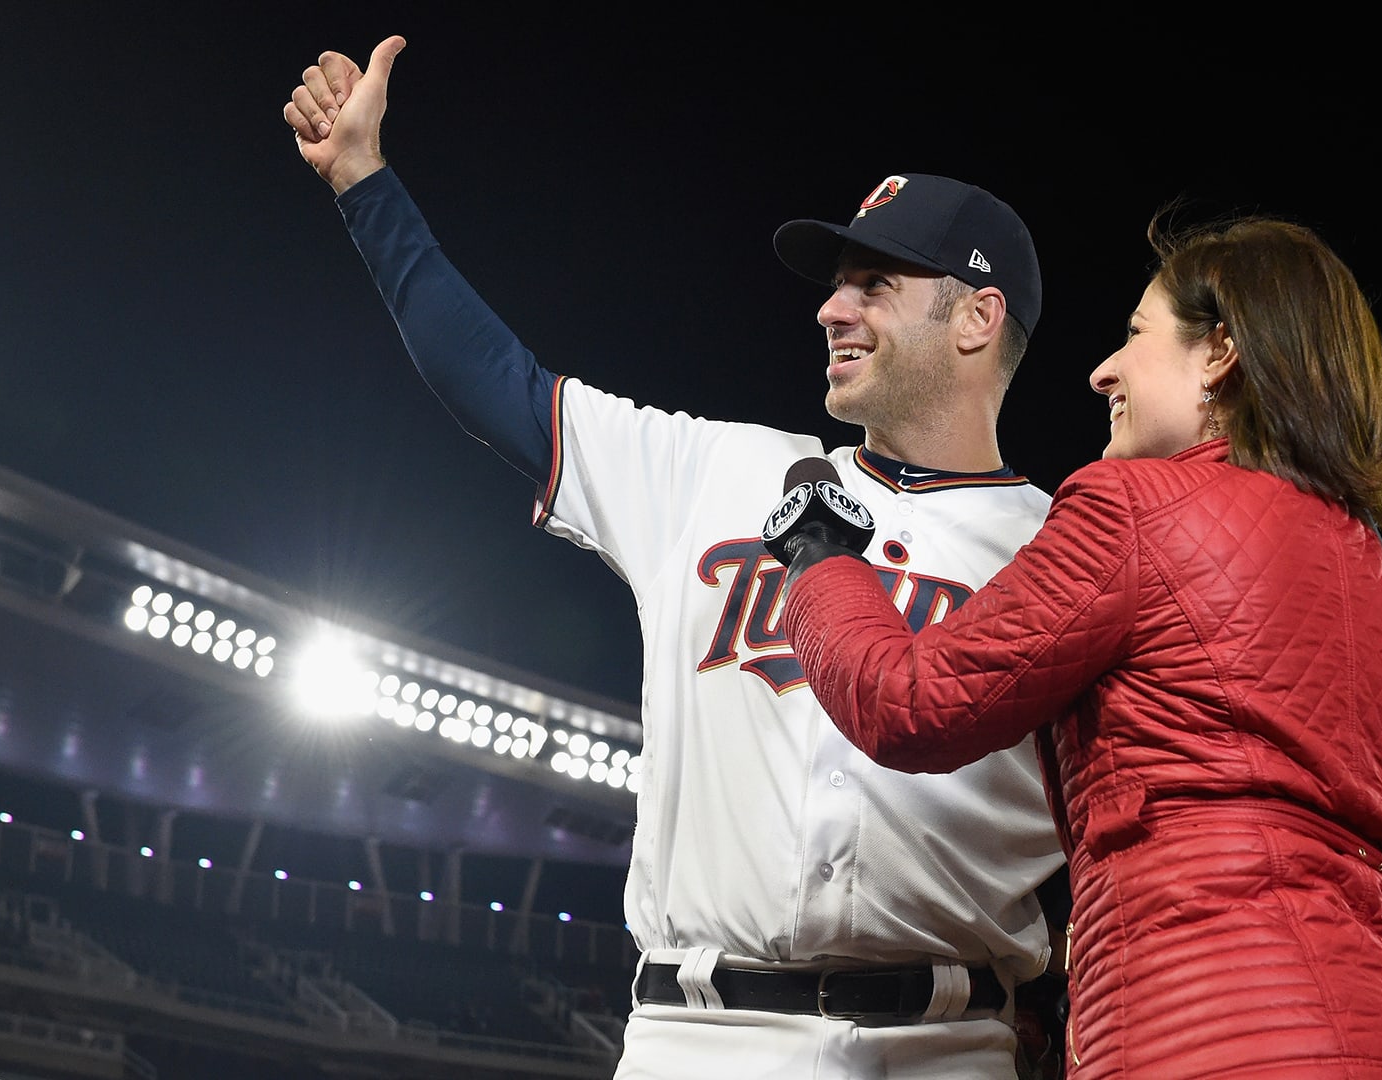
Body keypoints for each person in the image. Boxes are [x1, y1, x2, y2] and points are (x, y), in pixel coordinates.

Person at [283, 34, 1069, 1080]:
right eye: (838, 285)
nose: (832, 307)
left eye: (876, 285)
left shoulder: (1074, 549)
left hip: (950, 1045)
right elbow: (497, 386)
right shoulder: (717, 470)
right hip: (696, 1039)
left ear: (978, 319)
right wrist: (362, 181)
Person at [770, 212, 1382, 1078]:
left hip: (1205, 1038)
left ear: (1221, 353)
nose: (1102, 371)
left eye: (1134, 335)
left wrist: (817, 552)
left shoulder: (1132, 507)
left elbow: (909, 704)